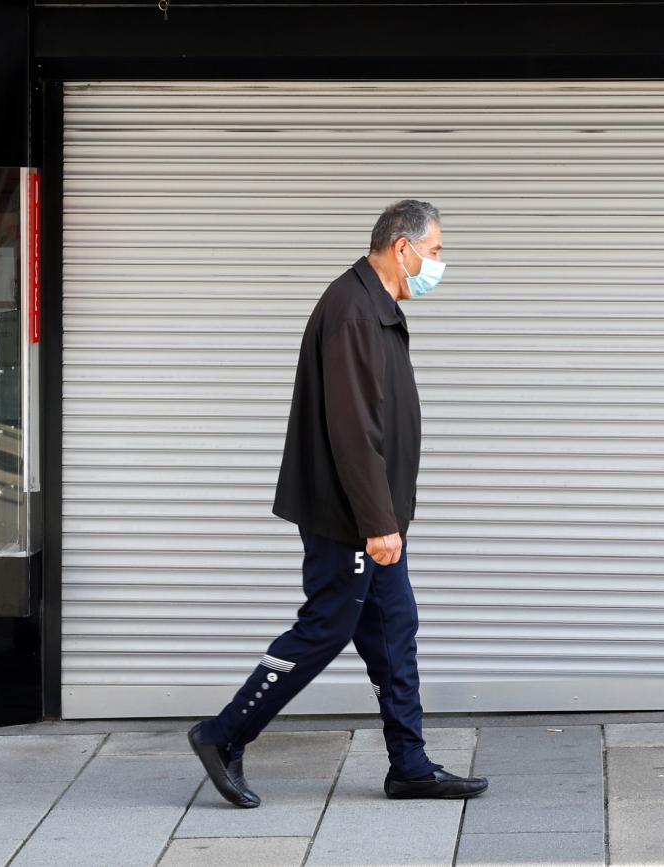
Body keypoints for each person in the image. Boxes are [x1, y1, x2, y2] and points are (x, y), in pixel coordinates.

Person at [187, 200, 488, 808]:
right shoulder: (353, 310)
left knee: (395, 631)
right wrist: (378, 523)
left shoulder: (377, 306)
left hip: (376, 518)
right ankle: (222, 735)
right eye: (434, 252)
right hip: (350, 521)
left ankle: (409, 766)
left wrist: (388, 518)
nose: (439, 264)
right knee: (324, 628)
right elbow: (353, 430)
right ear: (401, 249)